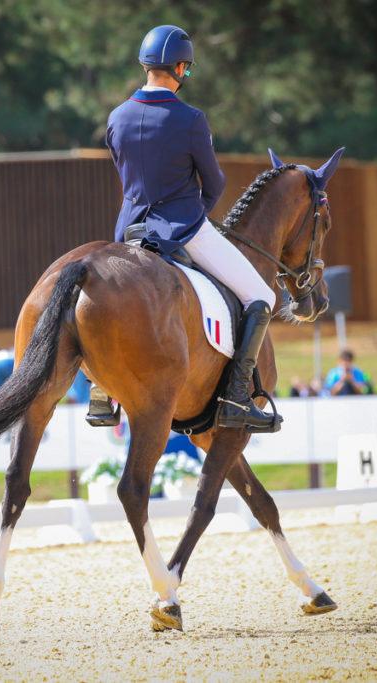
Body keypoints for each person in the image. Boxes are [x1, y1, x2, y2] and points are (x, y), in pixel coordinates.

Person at [98, 25, 278, 432]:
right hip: (182, 228)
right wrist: (194, 215)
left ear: (145, 66)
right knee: (261, 296)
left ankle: (100, 391)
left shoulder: (116, 117)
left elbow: (127, 176)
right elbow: (213, 183)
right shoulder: (190, 119)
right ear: (180, 67)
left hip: (129, 231)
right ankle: (235, 396)